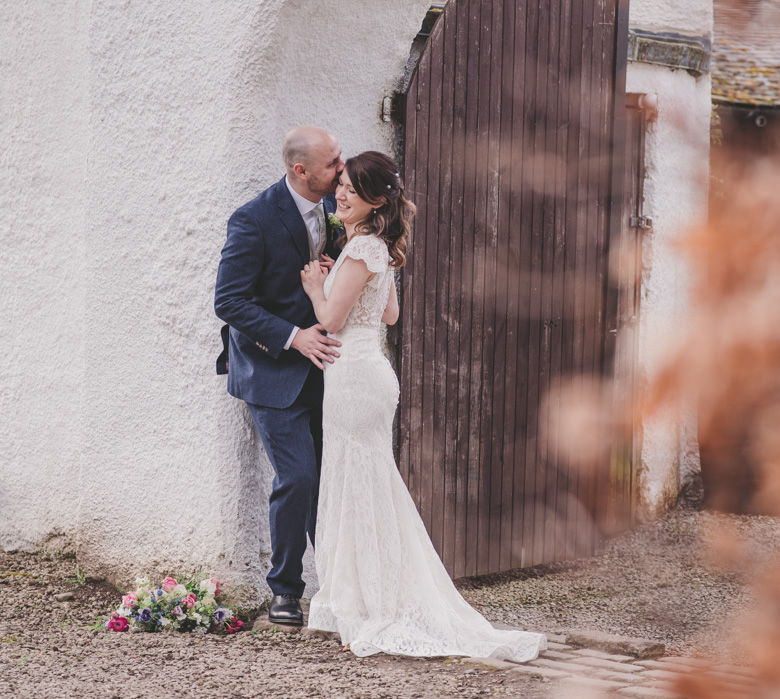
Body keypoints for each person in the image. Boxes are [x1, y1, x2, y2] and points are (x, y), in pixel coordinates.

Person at [300, 151, 545, 661]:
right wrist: (342, 276)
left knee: (357, 481)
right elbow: (388, 314)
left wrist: (316, 286)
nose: (340, 194)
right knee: (367, 481)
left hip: (354, 377)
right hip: (369, 373)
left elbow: (329, 318)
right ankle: (364, 595)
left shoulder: (362, 247)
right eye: (340, 185)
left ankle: (369, 602)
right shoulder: (376, 248)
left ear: (377, 200)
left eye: (351, 188)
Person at [215, 126, 344, 626]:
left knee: (331, 480)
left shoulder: (336, 211)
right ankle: (285, 591)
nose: (342, 167)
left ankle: (337, 584)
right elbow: (229, 302)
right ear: (301, 170)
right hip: (271, 371)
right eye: (332, 162)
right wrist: (295, 336)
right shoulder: (253, 219)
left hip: (326, 371)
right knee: (298, 477)